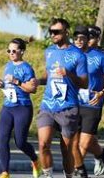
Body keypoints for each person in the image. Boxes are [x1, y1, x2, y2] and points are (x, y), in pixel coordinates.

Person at [37, 18, 88, 178]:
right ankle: (47, 175)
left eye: (57, 32)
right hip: (48, 105)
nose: (53, 34)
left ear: (66, 32)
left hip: (68, 107)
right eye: (51, 32)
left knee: (66, 150)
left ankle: (69, 175)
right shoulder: (49, 51)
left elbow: (84, 83)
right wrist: (38, 81)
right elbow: (48, 75)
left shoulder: (78, 55)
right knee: (43, 144)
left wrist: (69, 73)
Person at [72, 26, 104, 177]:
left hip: (92, 104)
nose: (80, 41)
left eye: (85, 38)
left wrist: (102, 92)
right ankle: (103, 153)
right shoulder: (70, 55)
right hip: (73, 103)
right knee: (74, 142)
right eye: (77, 38)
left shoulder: (100, 56)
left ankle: (77, 171)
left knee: (84, 143)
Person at [0, 38, 40, 178]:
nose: (11, 53)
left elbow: (32, 89)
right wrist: (2, 84)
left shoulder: (27, 68)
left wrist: (17, 81)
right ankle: (5, 172)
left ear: (22, 51)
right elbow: (8, 85)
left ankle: (35, 159)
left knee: (20, 142)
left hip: (22, 107)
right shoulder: (8, 65)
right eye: (9, 50)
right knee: (2, 138)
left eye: (14, 51)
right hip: (7, 107)